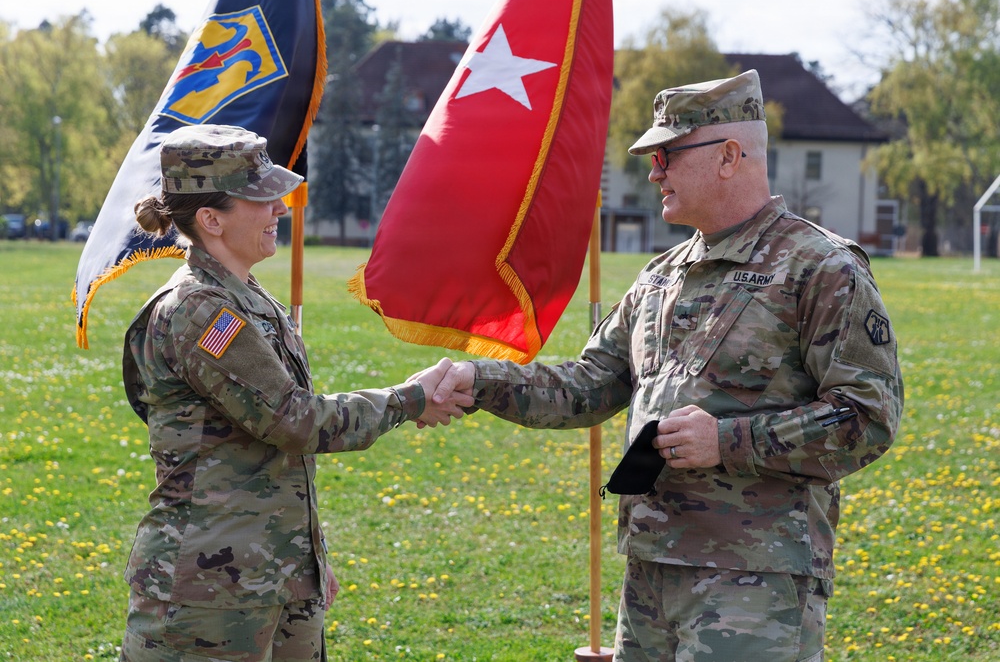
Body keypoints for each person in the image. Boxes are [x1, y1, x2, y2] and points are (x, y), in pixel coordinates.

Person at [422, 70, 903, 662]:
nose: (654, 173)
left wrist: (726, 441)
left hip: (755, 579)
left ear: (729, 156)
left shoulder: (821, 268)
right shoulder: (661, 275)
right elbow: (588, 386)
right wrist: (480, 380)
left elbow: (867, 418)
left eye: (667, 155)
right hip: (651, 569)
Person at [119, 124, 471, 662]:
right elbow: (294, 421)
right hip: (210, 595)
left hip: (272, 575)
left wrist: (305, 558)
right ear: (211, 219)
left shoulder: (244, 296)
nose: (280, 209)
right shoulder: (200, 310)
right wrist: (410, 399)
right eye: (261, 199)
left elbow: (273, 456)